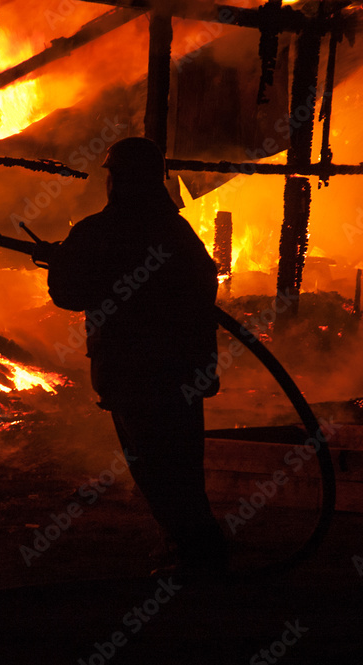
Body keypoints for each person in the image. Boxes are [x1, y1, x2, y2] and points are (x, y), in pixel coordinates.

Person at [34, 136, 228, 578]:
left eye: (113, 174)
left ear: (118, 178)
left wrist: (61, 264)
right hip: (182, 373)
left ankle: (198, 555)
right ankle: (192, 546)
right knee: (180, 465)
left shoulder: (99, 231)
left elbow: (70, 294)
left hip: (132, 373)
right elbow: (198, 290)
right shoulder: (177, 232)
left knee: (155, 468)